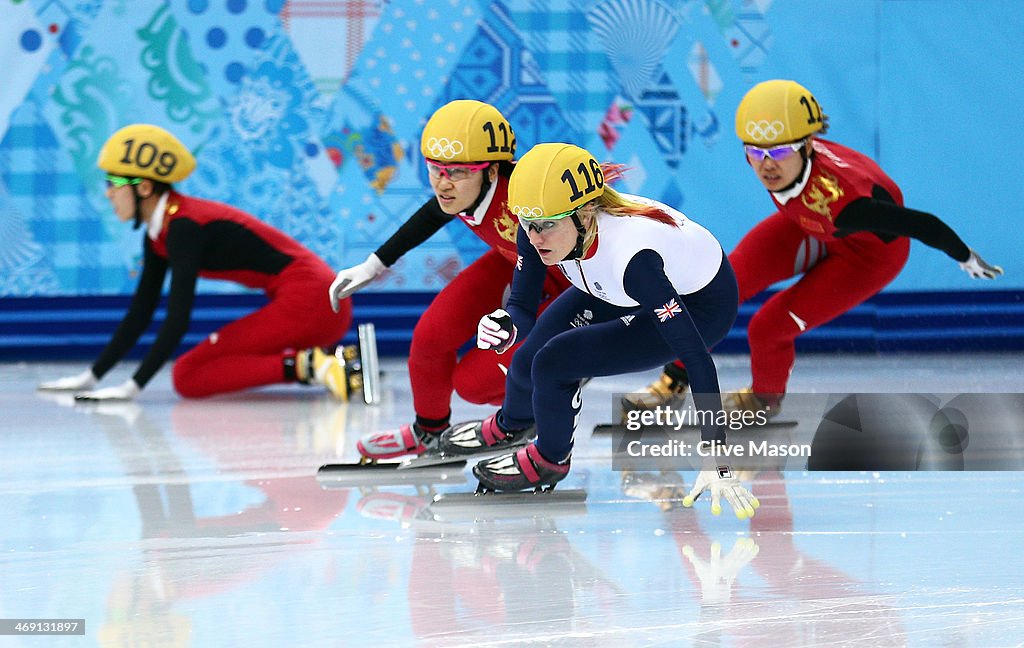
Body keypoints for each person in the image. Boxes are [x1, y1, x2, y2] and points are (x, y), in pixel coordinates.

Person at [624, 79, 1003, 417]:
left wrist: (965, 256)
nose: (767, 165)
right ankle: (674, 380)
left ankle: (763, 401)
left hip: (868, 257)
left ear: (807, 146)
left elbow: (919, 223)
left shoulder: (848, 203)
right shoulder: (792, 153)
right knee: (720, 287)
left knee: (767, 327)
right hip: (809, 226)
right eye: (755, 153)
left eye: (780, 152)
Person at [437, 142, 758, 518]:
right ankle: (513, 424)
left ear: (586, 214)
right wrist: (505, 325)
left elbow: (698, 361)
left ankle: (549, 460)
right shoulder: (541, 221)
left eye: (545, 226)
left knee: (554, 363)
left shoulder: (633, 261)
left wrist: (716, 457)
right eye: (526, 224)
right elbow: (523, 309)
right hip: (611, 284)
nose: (534, 237)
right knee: (524, 359)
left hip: (699, 306)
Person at [38, 124, 354, 401]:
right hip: (317, 299)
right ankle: (320, 362)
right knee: (190, 372)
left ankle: (313, 365)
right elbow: (142, 311)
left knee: (188, 373)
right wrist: (91, 377)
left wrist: (132, 387)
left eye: (113, 184)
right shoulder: (159, 232)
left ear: (144, 187)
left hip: (315, 301)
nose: (108, 195)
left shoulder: (183, 227)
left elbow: (178, 319)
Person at [333, 100, 571, 461]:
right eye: (435, 169)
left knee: (473, 385)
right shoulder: (462, 191)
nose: (443, 184)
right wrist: (373, 264)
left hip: (575, 288)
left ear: (491, 171)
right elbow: (432, 213)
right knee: (430, 336)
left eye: (457, 172)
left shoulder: (531, 193)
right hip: (517, 264)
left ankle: (536, 412)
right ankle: (429, 432)